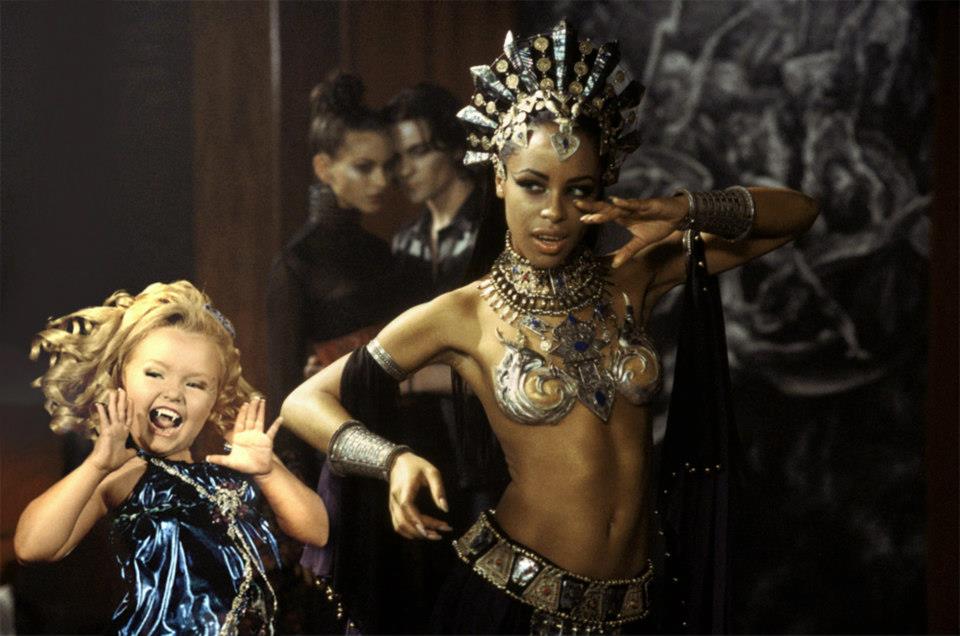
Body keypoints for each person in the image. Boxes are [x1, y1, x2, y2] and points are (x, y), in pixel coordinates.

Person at [282, 20, 818, 635]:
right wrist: (393, 459)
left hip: (641, 607)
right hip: (514, 608)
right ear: (499, 178)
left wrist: (684, 208)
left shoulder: (632, 277)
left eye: (578, 189)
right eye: (533, 185)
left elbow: (798, 215)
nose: (554, 213)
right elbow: (304, 401)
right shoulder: (463, 313)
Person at [14, 280, 328, 635]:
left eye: (195, 384)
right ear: (121, 379)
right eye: (154, 374)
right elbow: (31, 547)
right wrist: (97, 465)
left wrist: (269, 471)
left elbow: (317, 531)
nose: (173, 393)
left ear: (215, 398)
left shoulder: (237, 465)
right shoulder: (125, 475)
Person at [267, 72, 402, 418]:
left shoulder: (383, 254)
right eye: (364, 167)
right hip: (328, 435)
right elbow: (284, 393)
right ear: (324, 168)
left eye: (387, 166)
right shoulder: (296, 265)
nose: (381, 181)